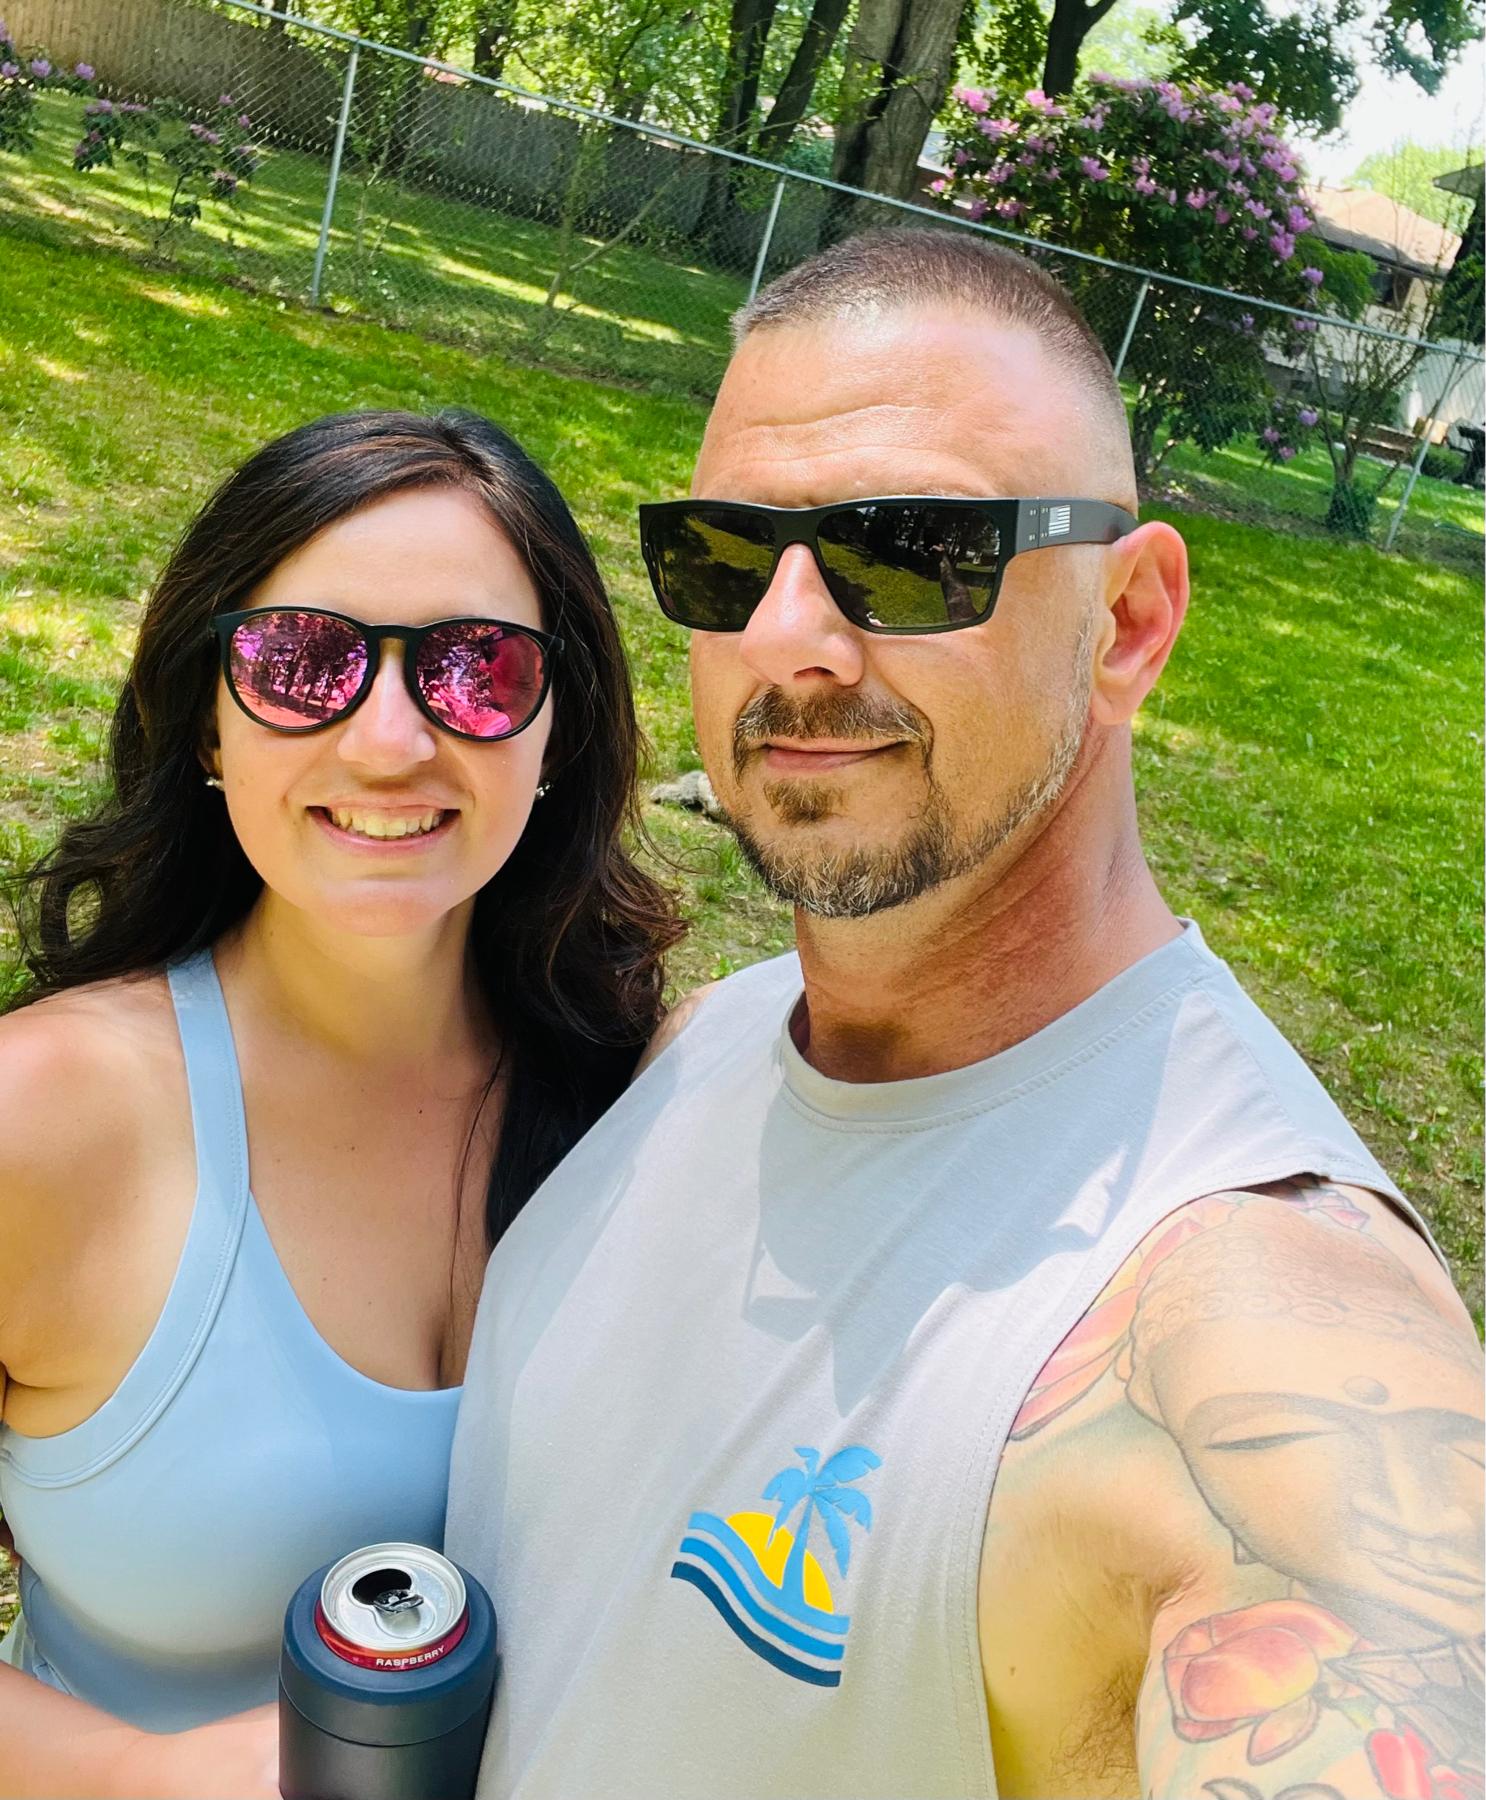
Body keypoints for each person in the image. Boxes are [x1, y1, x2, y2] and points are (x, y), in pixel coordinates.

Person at [445, 230, 1483, 1800]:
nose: (784, 638)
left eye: (912, 549)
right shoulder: (705, 1041)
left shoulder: (1240, 1315)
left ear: (1126, 621)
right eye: (723, 557)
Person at [0, 408, 680, 1798]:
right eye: (302, 662)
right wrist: (144, 1777)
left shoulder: (652, 1100)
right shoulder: (44, 1121)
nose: (388, 742)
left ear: (557, 730)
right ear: (205, 715)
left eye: (478, 669)